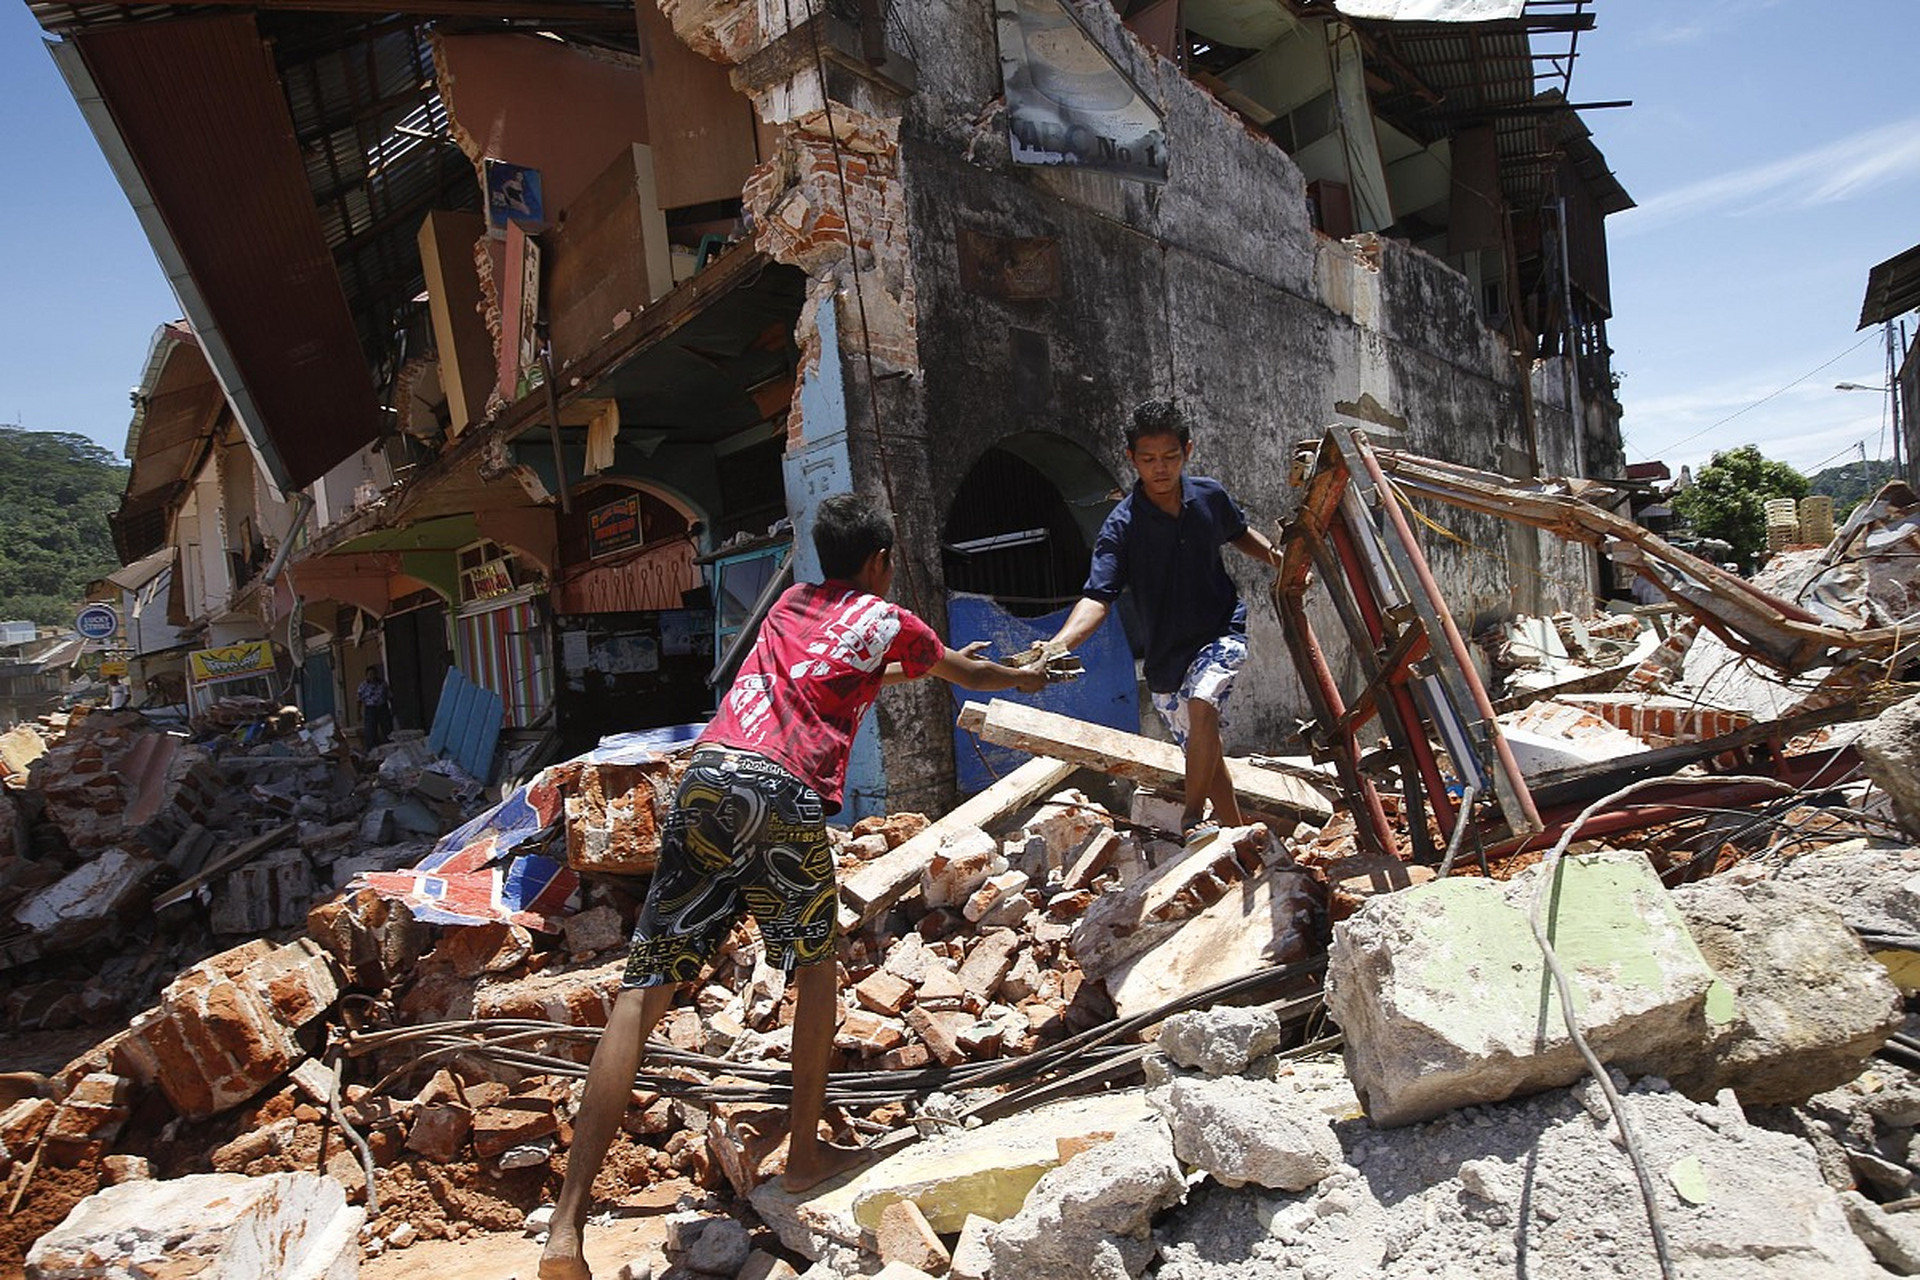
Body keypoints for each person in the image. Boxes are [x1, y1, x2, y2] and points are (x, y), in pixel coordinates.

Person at [538, 493, 1046, 1280]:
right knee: (814, 969)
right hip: (780, 791)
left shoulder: (789, 604)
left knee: (643, 993)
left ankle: (565, 1233)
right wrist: (1028, 673)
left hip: (706, 776)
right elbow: (965, 672)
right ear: (880, 561)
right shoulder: (888, 620)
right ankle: (805, 1153)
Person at [1043, 399, 1281, 844]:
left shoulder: (1209, 495)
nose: (1160, 469)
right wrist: (1058, 645)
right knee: (1204, 756)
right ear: (1132, 459)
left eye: (1170, 457)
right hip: (1166, 659)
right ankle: (1241, 840)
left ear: (1187, 451)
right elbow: (1098, 596)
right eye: (1149, 460)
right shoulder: (1121, 527)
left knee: (1204, 701)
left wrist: (1278, 559)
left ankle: (1192, 817)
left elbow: (1238, 533)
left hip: (1220, 629)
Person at [356, 665, 394, 752]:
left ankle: (389, 746)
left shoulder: (383, 684)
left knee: (387, 728)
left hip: (382, 707)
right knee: (370, 729)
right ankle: (371, 749)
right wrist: (358, 713)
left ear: (376, 674)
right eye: (369, 674)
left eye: (373, 674)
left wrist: (392, 708)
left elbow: (390, 696)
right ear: (366, 675)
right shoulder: (363, 686)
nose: (371, 676)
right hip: (370, 709)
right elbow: (359, 700)